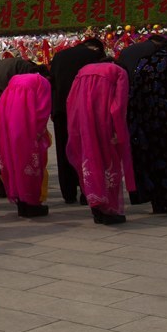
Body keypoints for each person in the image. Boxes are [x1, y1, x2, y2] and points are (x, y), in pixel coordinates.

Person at [118, 36, 167, 217]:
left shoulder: (143, 61)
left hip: (142, 119)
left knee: (150, 159)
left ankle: (157, 202)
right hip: (163, 118)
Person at [65, 61, 135, 225]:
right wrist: (118, 130)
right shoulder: (118, 72)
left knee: (89, 160)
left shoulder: (82, 71)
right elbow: (119, 106)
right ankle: (110, 209)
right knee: (109, 162)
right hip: (105, 122)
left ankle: (96, 207)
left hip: (83, 122)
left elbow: (70, 100)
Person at [45, 36, 106, 206]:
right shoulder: (93, 57)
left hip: (60, 109)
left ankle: (68, 192)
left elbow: (53, 83)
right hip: (83, 110)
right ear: (96, 48)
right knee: (87, 149)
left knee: (64, 150)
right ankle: (87, 191)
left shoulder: (60, 55)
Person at [0, 72, 54, 219]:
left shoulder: (13, 84)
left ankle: (21, 203)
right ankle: (32, 203)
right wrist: (38, 133)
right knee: (31, 165)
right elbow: (43, 111)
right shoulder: (42, 83)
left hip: (7, 128)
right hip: (27, 129)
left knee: (13, 164)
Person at [0, 53, 41, 198]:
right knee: (11, 144)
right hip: (4, 100)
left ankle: (2, 185)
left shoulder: (0, 63)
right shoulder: (24, 66)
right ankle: (15, 183)